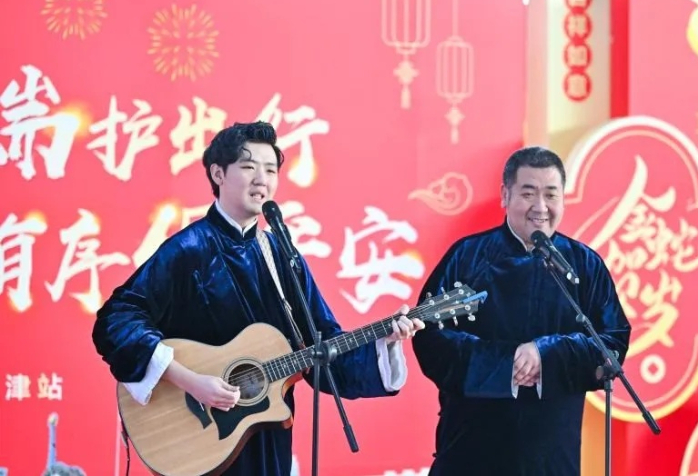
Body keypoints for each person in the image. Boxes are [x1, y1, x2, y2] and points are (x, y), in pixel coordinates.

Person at [92, 121, 425, 476]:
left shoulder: (281, 254)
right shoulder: (188, 250)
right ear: (218, 173)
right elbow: (116, 320)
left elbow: (322, 342)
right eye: (249, 167)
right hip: (199, 441)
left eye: (270, 170)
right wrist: (191, 381)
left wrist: (385, 341)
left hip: (267, 440)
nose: (261, 180)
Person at [411, 146, 631, 476]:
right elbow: (428, 336)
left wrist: (545, 355)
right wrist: (505, 363)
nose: (540, 207)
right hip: (470, 449)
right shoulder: (468, 256)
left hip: (552, 456)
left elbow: (612, 342)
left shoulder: (584, 265)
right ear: (505, 195)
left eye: (551, 195)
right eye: (528, 194)